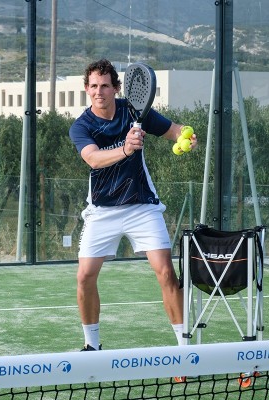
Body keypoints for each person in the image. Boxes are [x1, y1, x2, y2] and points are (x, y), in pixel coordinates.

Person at [68, 58, 197, 351]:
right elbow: (93, 159)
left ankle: (183, 348)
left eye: (104, 86)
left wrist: (186, 137)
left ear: (116, 88)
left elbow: (174, 130)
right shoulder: (81, 126)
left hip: (141, 206)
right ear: (86, 89)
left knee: (165, 270)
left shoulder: (135, 111)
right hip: (102, 211)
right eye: (93, 86)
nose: (98, 92)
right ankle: (92, 346)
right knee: (85, 276)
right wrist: (125, 149)